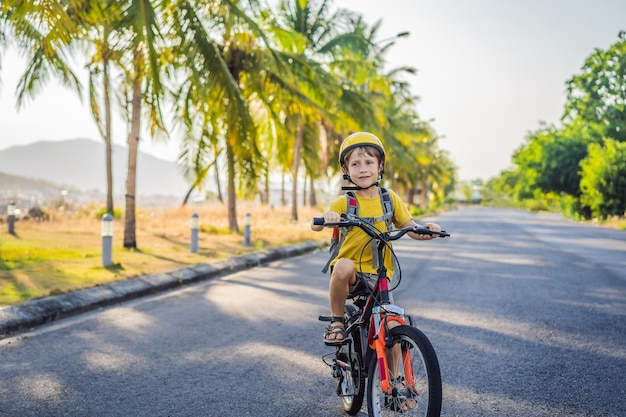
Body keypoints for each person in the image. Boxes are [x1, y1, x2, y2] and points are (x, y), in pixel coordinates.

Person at [311, 132, 442, 345]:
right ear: (346, 170)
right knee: (343, 265)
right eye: (355, 164)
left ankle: (396, 377)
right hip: (351, 276)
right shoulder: (344, 203)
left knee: (394, 326)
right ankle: (337, 321)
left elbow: (410, 227)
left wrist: (426, 230)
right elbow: (316, 226)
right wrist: (327, 218)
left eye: (369, 162)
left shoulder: (389, 199)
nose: (363, 169)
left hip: (381, 276)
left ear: (380, 166)